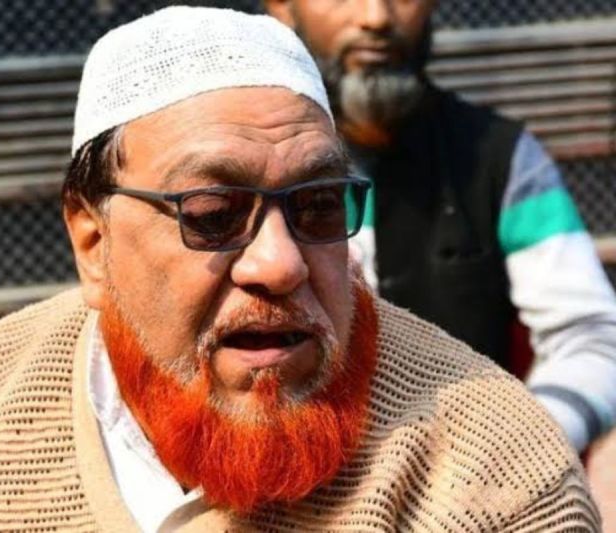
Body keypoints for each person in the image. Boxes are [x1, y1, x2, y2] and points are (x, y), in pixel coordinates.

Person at [0, 7, 599, 532]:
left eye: (317, 206)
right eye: (212, 214)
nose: (280, 263)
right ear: (92, 241)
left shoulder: (497, 476)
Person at [264, 0, 616, 454]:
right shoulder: (247, 167)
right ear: (282, 8)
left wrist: (519, 449)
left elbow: (593, 336)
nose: (376, 17)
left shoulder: (499, 158)